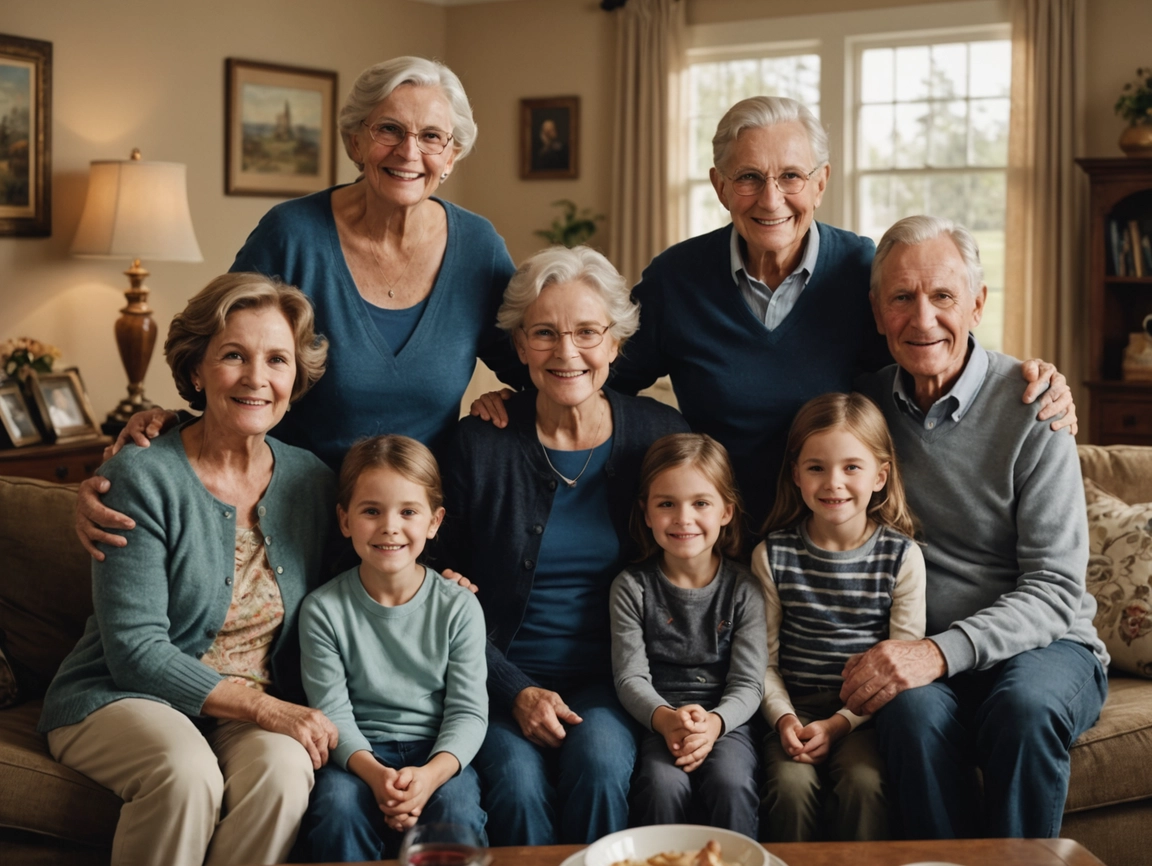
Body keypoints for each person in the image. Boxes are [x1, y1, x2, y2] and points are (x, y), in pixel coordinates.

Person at [471, 97, 1076, 532]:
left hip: (837, 534)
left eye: (790, 177)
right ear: (718, 184)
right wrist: (519, 400)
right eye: (749, 178)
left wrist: (1035, 379)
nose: (770, 199)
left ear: (820, 184)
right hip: (715, 537)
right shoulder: (677, 280)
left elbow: (931, 345)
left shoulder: (864, 272)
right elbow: (595, 373)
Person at [75, 55, 526, 558]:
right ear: (355, 140)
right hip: (291, 521)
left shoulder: (477, 248)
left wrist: (509, 402)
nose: (408, 151)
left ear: (453, 154)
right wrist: (156, 444)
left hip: (412, 536)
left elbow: (536, 362)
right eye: (389, 130)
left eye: (430, 137)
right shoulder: (292, 235)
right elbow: (219, 350)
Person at [38, 274, 339, 866]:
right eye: (233, 355)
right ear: (197, 371)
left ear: (295, 379)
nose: (257, 378)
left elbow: (375, 571)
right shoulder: (141, 477)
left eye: (277, 359)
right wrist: (266, 708)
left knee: (284, 771)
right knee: (186, 773)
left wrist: (445, 581)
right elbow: (135, 651)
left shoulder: (312, 480)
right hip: (120, 695)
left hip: (245, 706)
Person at [844, 215, 1109, 839]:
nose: (923, 318)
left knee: (1024, 708)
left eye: (943, 296)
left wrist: (938, 651)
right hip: (926, 654)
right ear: (878, 315)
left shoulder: (1034, 406)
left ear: (977, 304)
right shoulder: (862, 407)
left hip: (1047, 646)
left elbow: (1054, 587)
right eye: (901, 298)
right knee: (905, 712)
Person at [438, 245, 689, 845]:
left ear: (616, 343)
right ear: (520, 347)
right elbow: (432, 582)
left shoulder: (662, 438)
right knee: (518, 783)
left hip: (613, 679)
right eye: (545, 333)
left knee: (600, 762)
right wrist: (514, 689)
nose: (567, 352)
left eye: (586, 332)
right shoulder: (479, 444)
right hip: (495, 676)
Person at [298, 435, 487, 861]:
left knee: (458, 813)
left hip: (436, 749)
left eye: (408, 512)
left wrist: (430, 775)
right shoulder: (323, 610)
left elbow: (469, 712)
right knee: (337, 811)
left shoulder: (459, 606)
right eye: (371, 511)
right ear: (344, 520)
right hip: (357, 754)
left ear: (434, 522)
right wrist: (377, 774)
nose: (389, 526)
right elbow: (332, 714)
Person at [753, 392, 925, 842]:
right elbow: (762, 662)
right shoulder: (772, 556)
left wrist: (841, 723)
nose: (833, 483)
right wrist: (785, 719)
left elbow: (901, 665)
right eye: (816, 467)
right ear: (796, 474)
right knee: (790, 788)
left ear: (880, 476)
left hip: (866, 714)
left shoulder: (902, 557)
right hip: (791, 708)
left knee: (865, 784)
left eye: (852, 467)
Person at [610, 432, 766, 837]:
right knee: (662, 786)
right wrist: (666, 720)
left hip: (726, 719)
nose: (683, 518)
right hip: (658, 716)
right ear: (646, 513)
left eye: (700, 503)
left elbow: (749, 682)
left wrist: (713, 724)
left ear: (726, 512)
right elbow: (630, 677)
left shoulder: (744, 588)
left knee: (731, 783)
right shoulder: (632, 587)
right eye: (667, 504)